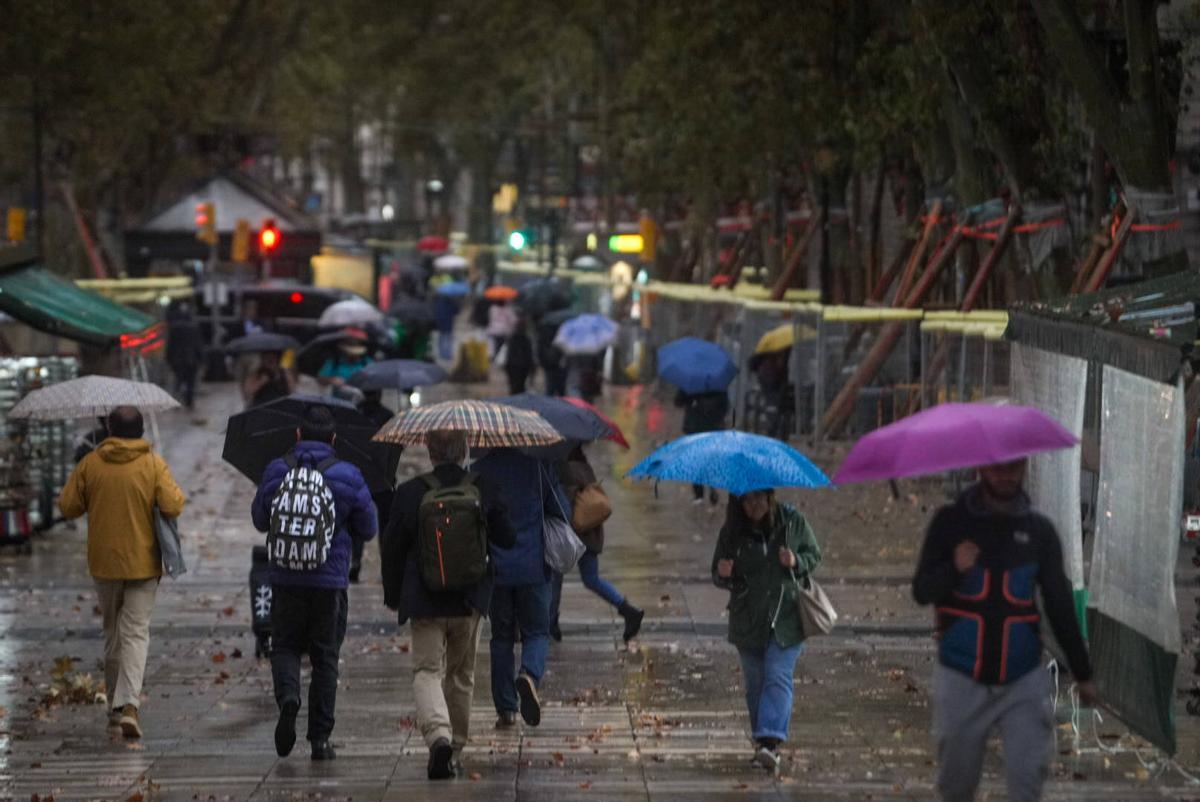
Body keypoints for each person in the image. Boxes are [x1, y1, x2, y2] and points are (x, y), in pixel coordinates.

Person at [912, 458, 1097, 802]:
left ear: (1025, 467)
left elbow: (1059, 605)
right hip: (962, 675)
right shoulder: (950, 524)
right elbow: (921, 591)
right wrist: (954, 567)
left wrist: (1083, 672)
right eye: (997, 468)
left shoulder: (1039, 532)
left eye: (1013, 468)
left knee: (1028, 782)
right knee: (956, 786)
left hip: (1023, 678)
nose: (1006, 476)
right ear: (981, 468)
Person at [381, 430, 516, 779]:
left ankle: (437, 736)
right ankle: (454, 748)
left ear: (429, 451)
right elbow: (508, 538)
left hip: (425, 601)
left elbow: (392, 549)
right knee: (460, 675)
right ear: (465, 450)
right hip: (470, 600)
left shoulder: (410, 492)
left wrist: (395, 596)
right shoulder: (483, 487)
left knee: (427, 671)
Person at [251, 405, 378, 761]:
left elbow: (260, 521)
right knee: (325, 656)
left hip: (285, 575)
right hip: (329, 581)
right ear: (334, 439)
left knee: (285, 646)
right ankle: (320, 740)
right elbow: (369, 528)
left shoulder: (278, 469)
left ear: (297, 435)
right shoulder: (349, 475)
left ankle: (289, 696)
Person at [58, 406, 187, 739]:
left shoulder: (91, 463)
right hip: (143, 564)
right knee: (135, 631)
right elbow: (173, 505)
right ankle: (129, 704)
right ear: (142, 430)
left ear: (110, 429)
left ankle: (115, 709)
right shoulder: (152, 464)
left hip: (104, 564)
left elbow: (68, 506)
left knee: (113, 631)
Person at [711, 488, 821, 773]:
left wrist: (796, 561)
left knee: (778, 675)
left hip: (786, 617)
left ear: (770, 497)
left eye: (760, 498)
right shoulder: (731, 532)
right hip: (748, 618)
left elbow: (814, 554)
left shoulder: (792, 521)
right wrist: (723, 574)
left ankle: (770, 742)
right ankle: (762, 742)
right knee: (756, 683)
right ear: (739, 503)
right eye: (747, 500)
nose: (755, 505)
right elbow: (718, 574)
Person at [472, 448, 571, 729]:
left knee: (501, 637)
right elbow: (563, 511)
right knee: (537, 631)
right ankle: (529, 674)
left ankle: (506, 708)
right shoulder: (538, 468)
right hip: (534, 567)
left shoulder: (478, 470)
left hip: (497, 569)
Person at [549, 445, 642, 643]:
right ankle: (627, 610)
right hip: (590, 532)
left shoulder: (564, 467)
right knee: (591, 578)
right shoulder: (583, 464)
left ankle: (551, 622)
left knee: (555, 576)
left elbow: (562, 502)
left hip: (575, 533)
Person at [351, 390, 396, 584]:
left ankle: (355, 564)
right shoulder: (389, 416)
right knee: (386, 527)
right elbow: (396, 448)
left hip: (360, 479)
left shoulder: (355, 414)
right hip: (384, 479)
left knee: (357, 525)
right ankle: (388, 569)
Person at [674, 389, 730, 505]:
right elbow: (725, 407)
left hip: (695, 428)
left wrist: (691, 400)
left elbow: (678, 402)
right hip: (713, 427)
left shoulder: (690, 383)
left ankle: (699, 496)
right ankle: (711, 487)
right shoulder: (718, 384)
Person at [166, 301, 204, 409]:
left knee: (178, 380)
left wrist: (168, 359)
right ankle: (189, 401)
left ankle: (177, 400)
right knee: (190, 382)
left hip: (178, 359)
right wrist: (201, 359)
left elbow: (171, 345)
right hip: (191, 359)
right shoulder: (194, 327)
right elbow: (198, 345)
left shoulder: (174, 328)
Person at [504, 317, 535, 395]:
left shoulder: (512, 338)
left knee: (513, 386)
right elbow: (529, 354)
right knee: (520, 386)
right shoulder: (526, 338)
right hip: (523, 366)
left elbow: (509, 353)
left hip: (512, 365)